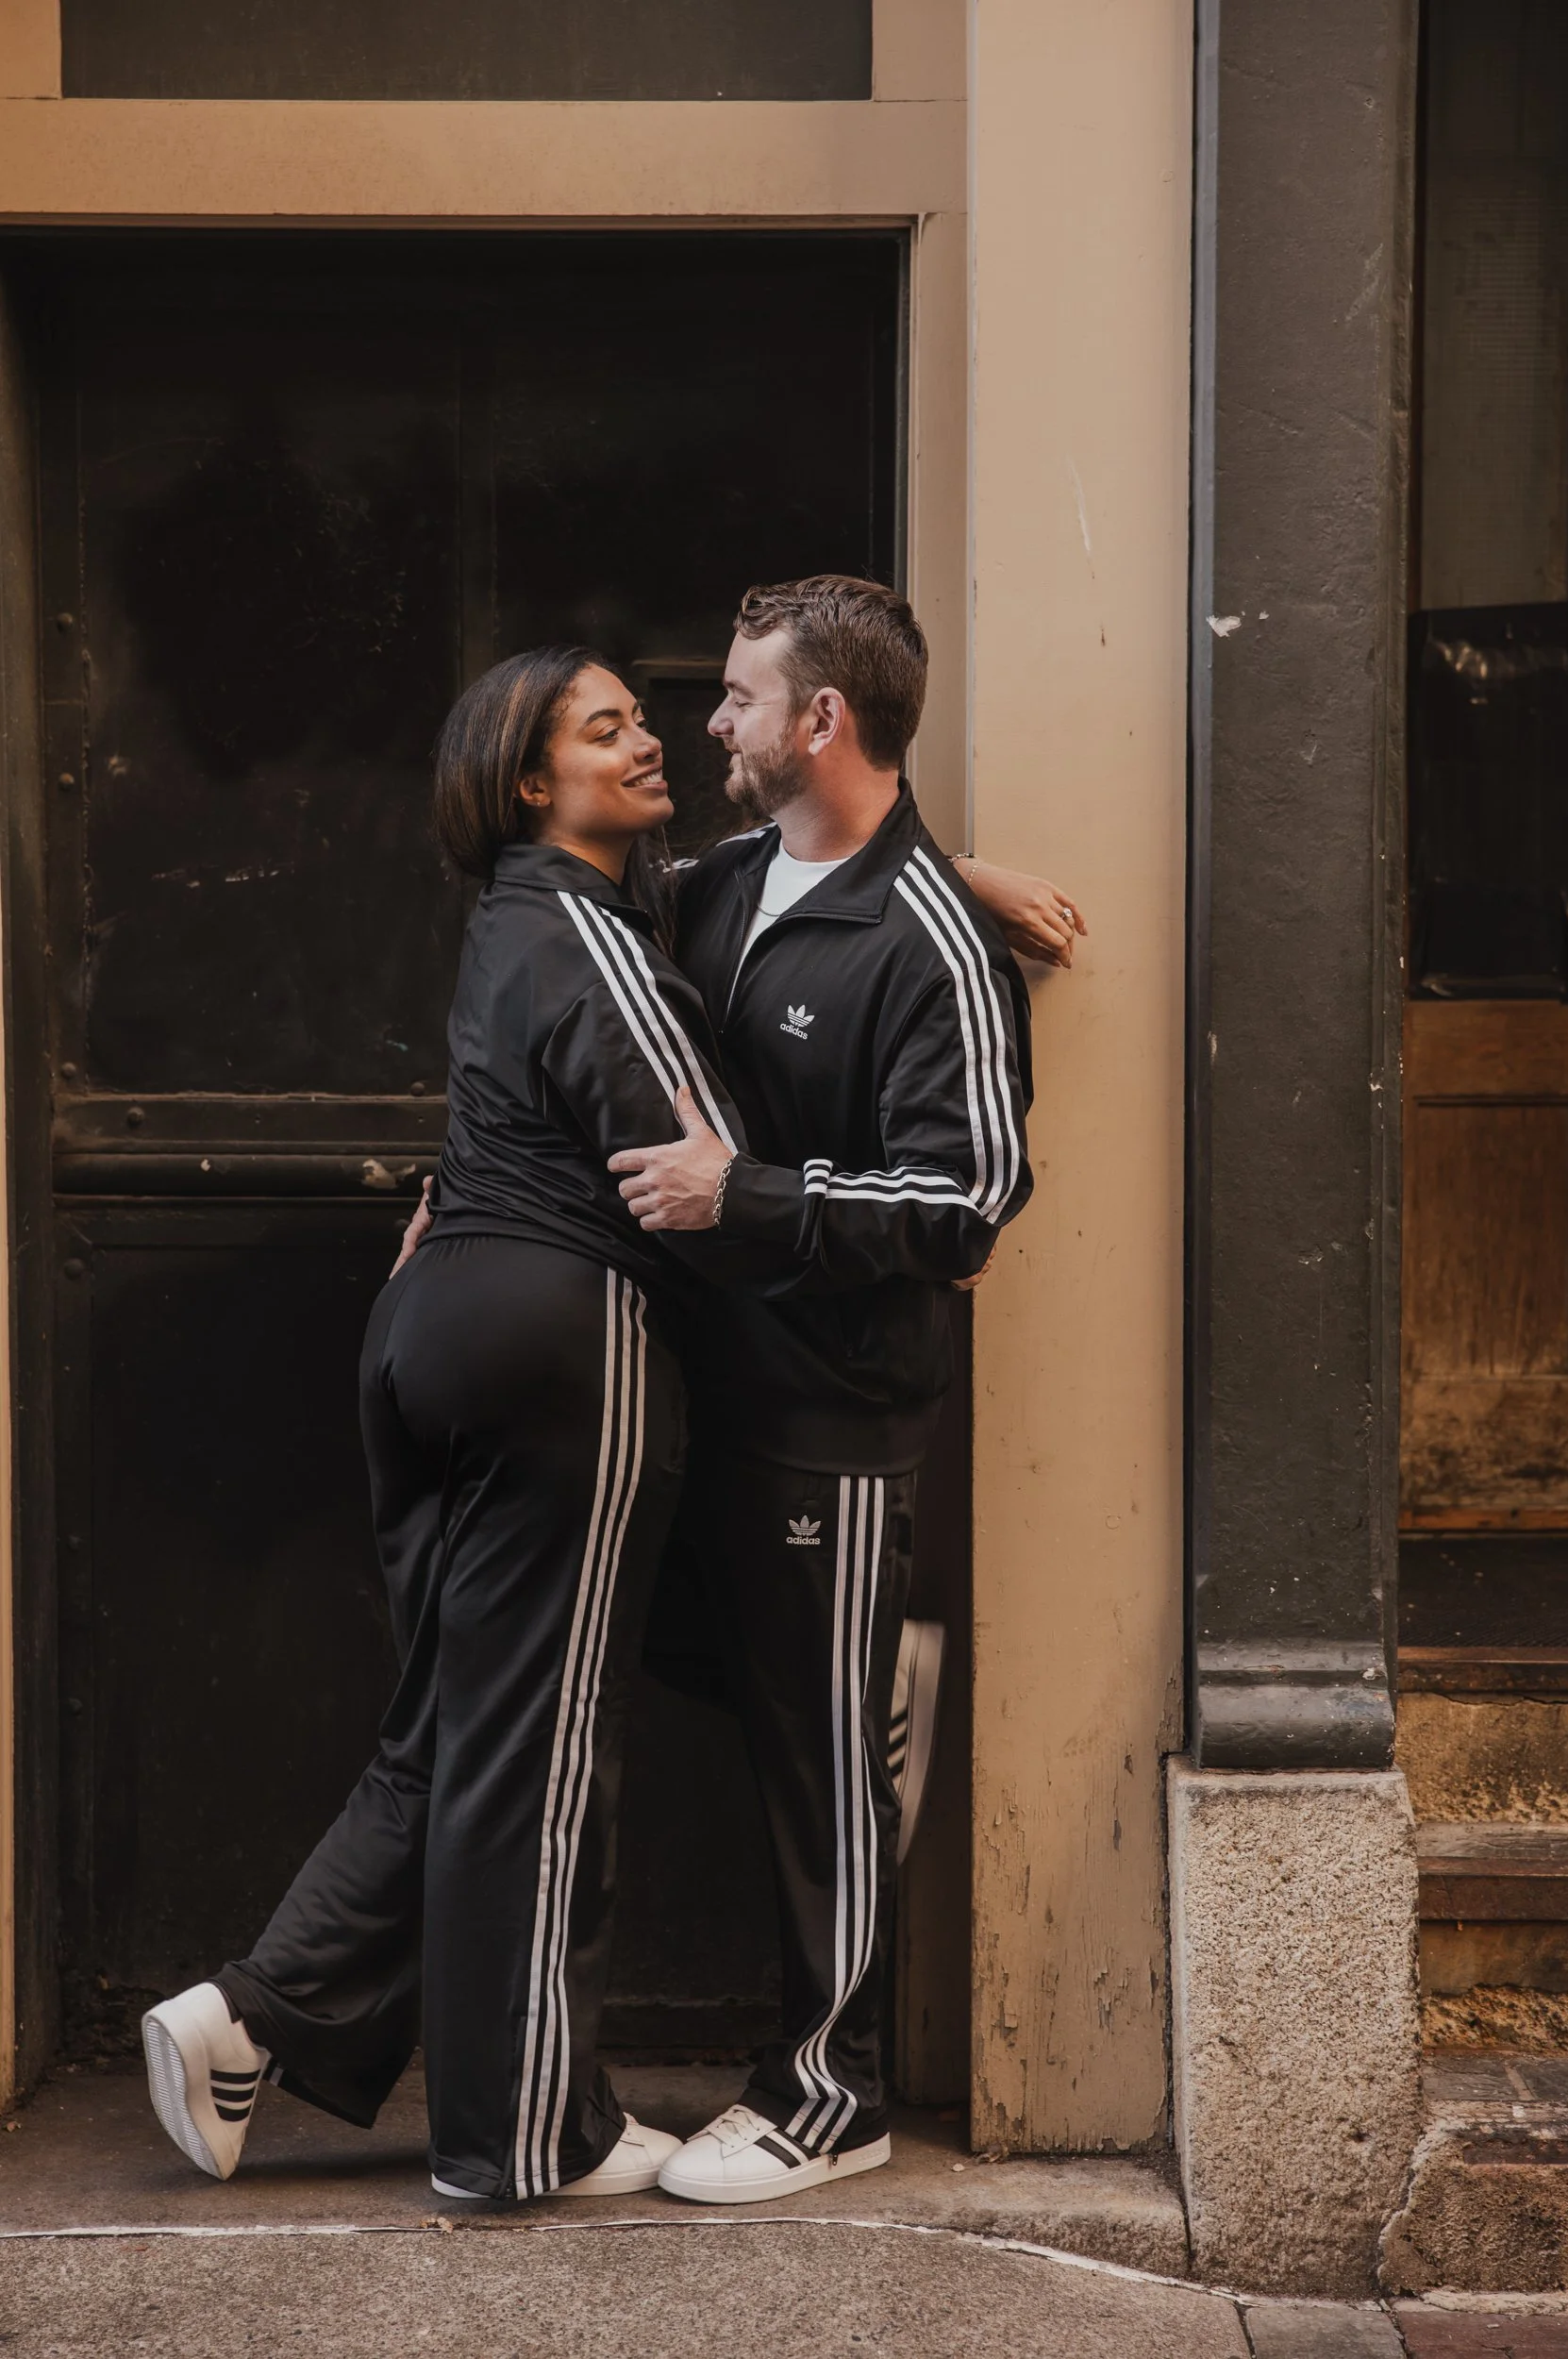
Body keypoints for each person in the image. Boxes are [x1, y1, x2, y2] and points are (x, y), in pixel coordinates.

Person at [142, 647, 787, 2203]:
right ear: (527, 781)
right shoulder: (586, 930)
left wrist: (942, 874)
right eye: (606, 727)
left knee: (459, 1728)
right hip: (559, 1331)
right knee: (543, 1751)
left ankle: (256, 2014)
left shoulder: (517, 917)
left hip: (428, 1331)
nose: (649, 739)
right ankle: (521, 2134)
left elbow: (751, 871)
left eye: (645, 716)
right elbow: (702, 1164)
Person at [599, 575, 1042, 2203]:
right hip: (686, 1389)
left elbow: (970, 1201)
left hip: (833, 1414)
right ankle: (879, 1673)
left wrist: (753, 1197)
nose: (706, 721)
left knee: (816, 1756)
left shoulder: (935, 946)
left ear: (820, 719)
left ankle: (825, 2096)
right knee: (708, 1676)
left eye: (733, 696)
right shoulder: (719, 880)